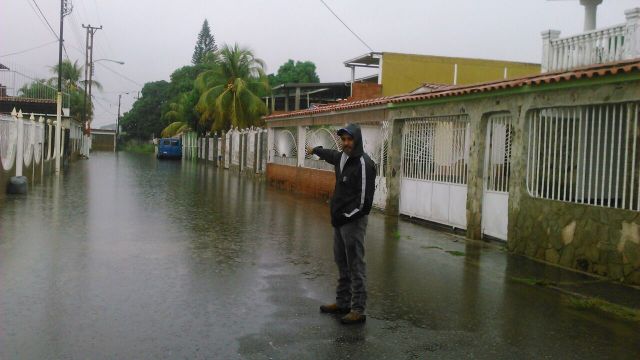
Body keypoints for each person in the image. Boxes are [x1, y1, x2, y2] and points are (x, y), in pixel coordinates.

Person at [306, 123, 376, 325]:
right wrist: (315, 150)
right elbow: (330, 154)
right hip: (339, 220)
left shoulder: (364, 163)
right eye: (343, 140)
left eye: (349, 139)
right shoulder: (342, 158)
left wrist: (346, 216)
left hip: (353, 222)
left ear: (357, 140)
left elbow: (364, 203)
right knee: (341, 263)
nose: (346, 143)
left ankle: (358, 309)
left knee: (355, 265)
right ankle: (343, 302)